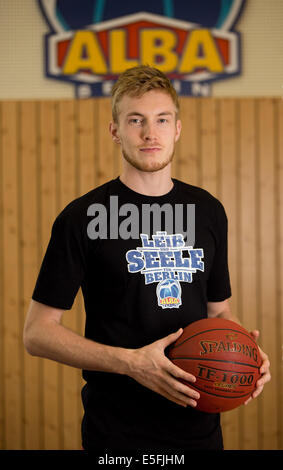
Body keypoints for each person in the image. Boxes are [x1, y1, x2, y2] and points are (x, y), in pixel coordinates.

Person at [23, 65, 270, 451]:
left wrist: (245, 355)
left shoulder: (207, 210)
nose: (150, 133)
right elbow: (37, 333)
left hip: (199, 430)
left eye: (161, 119)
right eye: (135, 120)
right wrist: (131, 362)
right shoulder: (81, 217)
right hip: (117, 433)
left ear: (177, 129)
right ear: (115, 131)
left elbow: (219, 311)